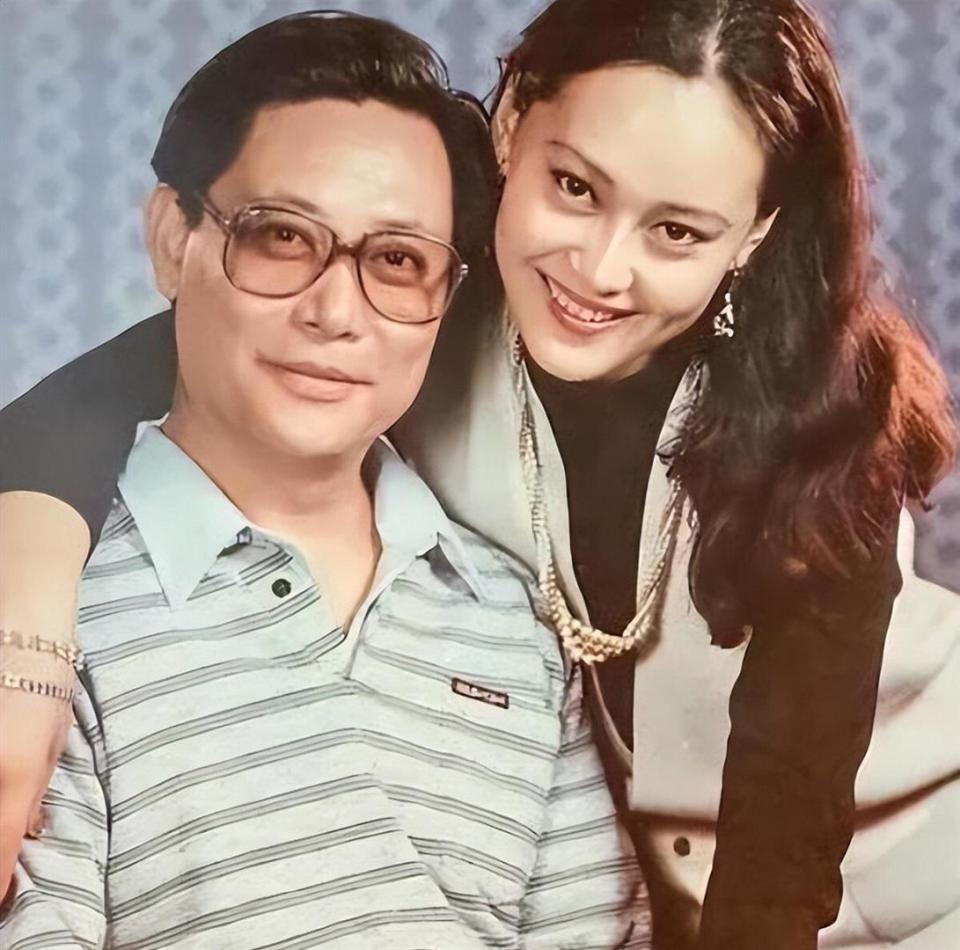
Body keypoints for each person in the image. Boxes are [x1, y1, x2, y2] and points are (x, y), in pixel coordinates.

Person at [1, 0, 958, 947]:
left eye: (677, 232)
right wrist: (33, 599)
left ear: (752, 235)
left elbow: (781, 854)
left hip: (907, 875)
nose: (600, 269)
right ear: (513, 125)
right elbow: (154, 367)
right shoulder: (411, 300)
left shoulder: (830, 414)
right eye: (575, 187)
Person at [0, 12, 648, 950]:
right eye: (281, 237)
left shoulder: (514, 620)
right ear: (173, 239)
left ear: (447, 297)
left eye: (398, 261)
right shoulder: (47, 616)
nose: (336, 312)